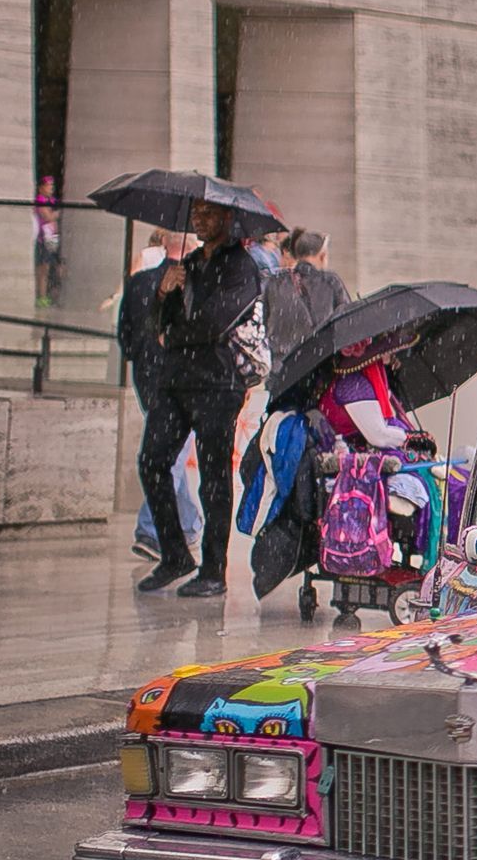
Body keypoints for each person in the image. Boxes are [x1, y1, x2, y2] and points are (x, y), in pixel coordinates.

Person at [136, 198, 264, 598]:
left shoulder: (241, 267)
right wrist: (163, 293)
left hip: (218, 383)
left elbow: (215, 322)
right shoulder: (188, 264)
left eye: (207, 213)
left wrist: (175, 335)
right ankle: (175, 554)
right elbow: (156, 325)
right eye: (195, 213)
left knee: (214, 478)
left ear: (227, 217)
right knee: (152, 461)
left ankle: (213, 570)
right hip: (175, 379)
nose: (199, 220)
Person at [119, 230, 204, 560]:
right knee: (169, 455)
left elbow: (125, 335)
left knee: (171, 449)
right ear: (191, 247)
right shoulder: (195, 286)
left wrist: (141, 357)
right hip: (181, 379)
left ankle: (189, 522)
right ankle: (151, 530)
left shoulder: (139, 282)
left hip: (146, 376)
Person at [263, 228, 352, 363]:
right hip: (319, 360)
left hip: (281, 363)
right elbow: (347, 318)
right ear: (322, 256)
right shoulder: (330, 281)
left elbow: (265, 321)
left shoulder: (275, 283)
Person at [32, 176, 62, 306]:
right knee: (43, 268)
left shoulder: (53, 201)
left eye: (52, 185)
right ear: (41, 187)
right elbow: (48, 216)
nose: (51, 188)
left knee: (53, 267)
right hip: (43, 238)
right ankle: (42, 296)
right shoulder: (40, 200)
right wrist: (56, 214)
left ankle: (49, 294)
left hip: (53, 237)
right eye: (48, 185)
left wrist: (54, 214)